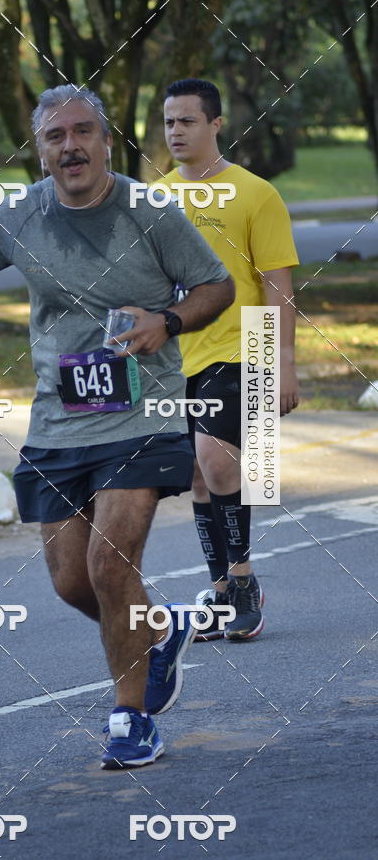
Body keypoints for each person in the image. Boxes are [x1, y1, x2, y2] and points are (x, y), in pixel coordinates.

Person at [0, 84, 234, 768]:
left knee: (110, 565)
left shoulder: (148, 212)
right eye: (55, 137)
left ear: (105, 140)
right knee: (72, 581)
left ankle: (129, 717)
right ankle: (159, 632)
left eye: (83, 132)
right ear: (41, 152)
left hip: (143, 410)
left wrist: (168, 321)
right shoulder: (23, 215)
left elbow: (214, 284)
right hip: (60, 421)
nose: (71, 146)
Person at [161, 78, 299, 641]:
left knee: (217, 462)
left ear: (215, 124)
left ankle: (243, 584)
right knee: (196, 471)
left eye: (187, 121)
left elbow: (277, 283)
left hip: (241, 347)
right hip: (177, 356)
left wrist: (284, 363)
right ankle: (219, 589)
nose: (176, 132)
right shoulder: (157, 196)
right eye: (169, 122)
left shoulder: (255, 193)